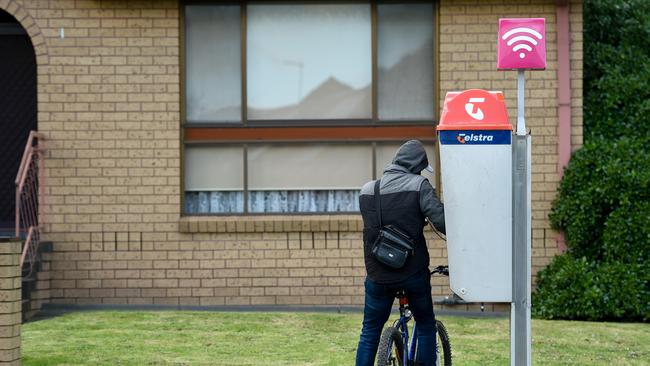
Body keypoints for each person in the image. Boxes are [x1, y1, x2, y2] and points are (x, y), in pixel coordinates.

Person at [355, 140, 446, 366]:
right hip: (412, 272)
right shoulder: (419, 185)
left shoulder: (367, 190)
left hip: (377, 274)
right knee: (425, 324)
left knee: (370, 331)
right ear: (416, 166)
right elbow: (442, 222)